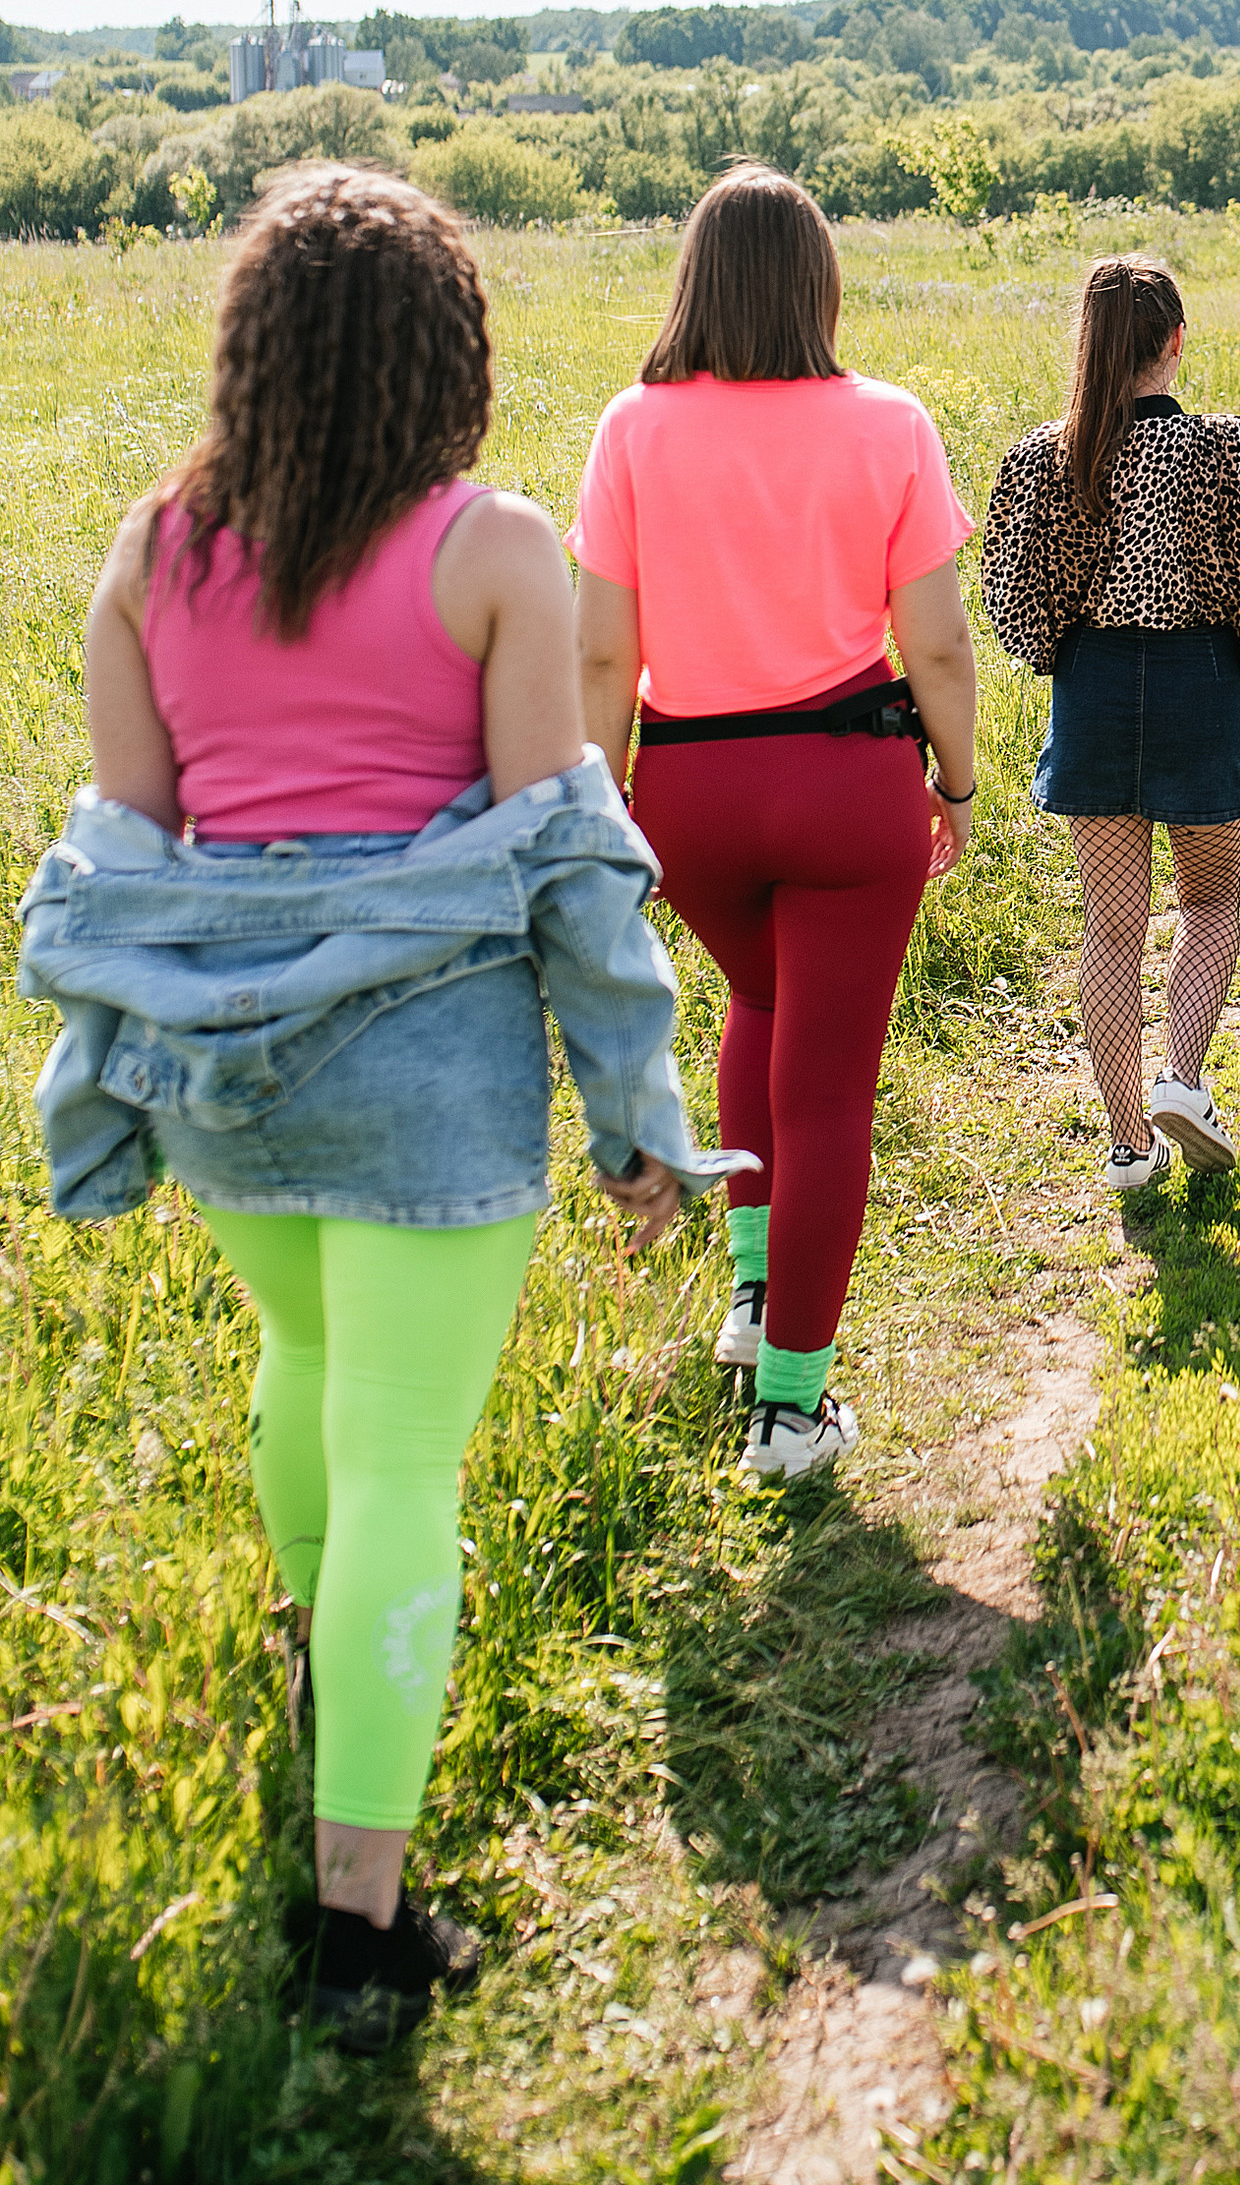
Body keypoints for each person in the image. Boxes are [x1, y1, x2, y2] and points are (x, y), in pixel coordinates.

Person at [33, 166, 731, 2054]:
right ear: (453, 352)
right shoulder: (492, 554)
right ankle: (358, 1923)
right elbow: (565, 864)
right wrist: (635, 1113)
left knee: (305, 1365)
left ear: (248, 350)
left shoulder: (149, 549)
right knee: (406, 1452)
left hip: (225, 1089)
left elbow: (142, 860)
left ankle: (317, 1665)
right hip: (430, 1085)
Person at [569, 166, 979, 1483]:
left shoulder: (631, 428)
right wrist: (957, 784)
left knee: (756, 1004)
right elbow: (940, 646)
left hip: (688, 793)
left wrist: (605, 806)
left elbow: (597, 660)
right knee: (827, 1097)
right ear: (819, 286)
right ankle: (792, 1416)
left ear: (694, 279)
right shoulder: (889, 424)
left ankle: (753, 1304)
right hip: (847, 784)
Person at [981, 256, 1240, 1189]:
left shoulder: (1046, 455)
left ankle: (1130, 1144)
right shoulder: (1231, 448)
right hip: (1198, 680)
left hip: (1094, 688)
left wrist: (1063, 657)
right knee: (1207, 904)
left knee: (1111, 929)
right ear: (1174, 341)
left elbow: (1012, 598)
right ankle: (1182, 1081)